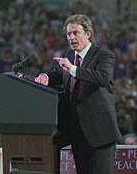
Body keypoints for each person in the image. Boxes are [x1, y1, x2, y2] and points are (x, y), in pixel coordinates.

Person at [35, 14, 122, 174]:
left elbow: (103, 78)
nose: (71, 37)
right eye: (69, 34)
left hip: (99, 133)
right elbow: (59, 72)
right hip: (77, 132)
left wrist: (73, 69)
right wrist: (46, 76)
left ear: (88, 34)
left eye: (76, 33)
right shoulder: (69, 55)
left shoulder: (103, 55)